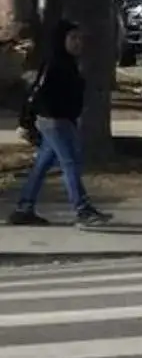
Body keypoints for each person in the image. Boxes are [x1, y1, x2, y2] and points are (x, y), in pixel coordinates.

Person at [14, 19, 112, 228]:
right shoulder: (53, 63)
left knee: (43, 164)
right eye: (73, 38)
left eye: (79, 38)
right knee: (70, 162)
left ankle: (24, 207)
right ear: (62, 40)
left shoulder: (69, 64)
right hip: (53, 121)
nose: (78, 43)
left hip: (64, 120)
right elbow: (35, 93)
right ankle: (82, 209)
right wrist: (25, 122)